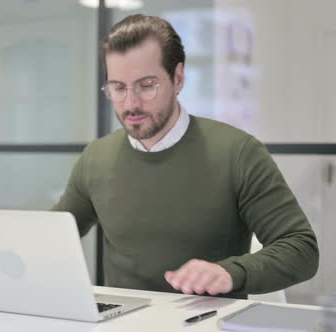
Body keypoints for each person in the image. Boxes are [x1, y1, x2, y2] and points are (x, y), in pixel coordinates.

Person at [52, 14, 319, 299]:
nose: (131, 103)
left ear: (177, 78)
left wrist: (231, 273)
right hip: (122, 323)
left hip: (205, 323)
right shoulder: (96, 157)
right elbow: (49, 237)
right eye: (118, 87)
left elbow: (301, 249)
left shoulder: (238, 153)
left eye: (146, 85)